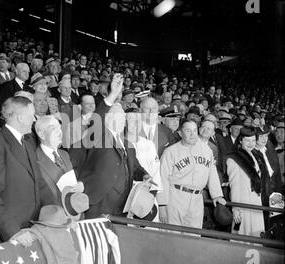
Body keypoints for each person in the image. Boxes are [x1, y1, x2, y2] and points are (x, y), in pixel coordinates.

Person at [0, 96, 51, 246]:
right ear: (20, 117)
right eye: (31, 115)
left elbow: (40, 184)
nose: (34, 119)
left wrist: (59, 214)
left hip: (31, 231)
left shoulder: (28, 143)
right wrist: (12, 231)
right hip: (7, 237)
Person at [79, 74, 150, 219]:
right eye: (118, 115)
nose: (123, 118)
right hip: (99, 201)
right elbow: (97, 117)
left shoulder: (128, 144)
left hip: (123, 204)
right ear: (108, 118)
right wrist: (113, 95)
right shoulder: (99, 136)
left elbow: (134, 167)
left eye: (123, 116)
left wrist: (144, 175)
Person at [158, 118, 226, 228]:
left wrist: (217, 195)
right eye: (188, 131)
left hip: (197, 199)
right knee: (173, 236)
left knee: (194, 236)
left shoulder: (207, 150)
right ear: (180, 133)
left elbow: (212, 174)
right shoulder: (170, 151)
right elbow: (163, 178)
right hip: (176, 197)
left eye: (194, 130)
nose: (192, 134)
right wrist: (162, 204)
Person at [226, 127, 268, 237]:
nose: (251, 144)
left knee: (257, 234)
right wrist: (235, 208)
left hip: (256, 200)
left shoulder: (255, 154)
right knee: (245, 235)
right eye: (247, 140)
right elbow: (234, 185)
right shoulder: (234, 159)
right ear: (240, 140)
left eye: (253, 140)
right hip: (243, 203)